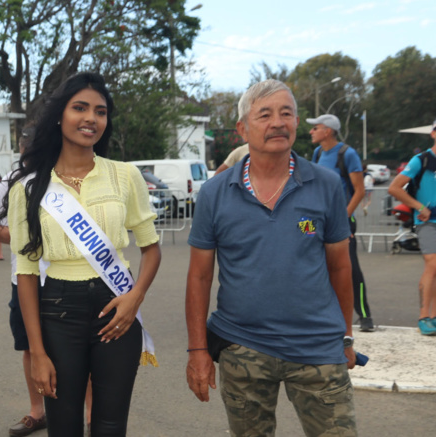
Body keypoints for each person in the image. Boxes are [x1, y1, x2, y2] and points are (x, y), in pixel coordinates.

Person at [185, 79, 357, 437]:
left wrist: (346, 336)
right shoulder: (215, 193)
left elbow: (340, 267)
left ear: (296, 122)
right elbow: (199, 277)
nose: (277, 123)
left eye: (286, 113)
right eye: (264, 115)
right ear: (242, 128)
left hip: (318, 347)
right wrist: (198, 350)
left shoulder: (326, 185)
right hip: (242, 347)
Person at [4, 72, 161, 436]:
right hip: (57, 311)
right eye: (80, 108)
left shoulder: (125, 175)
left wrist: (135, 297)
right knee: (64, 427)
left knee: (110, 426)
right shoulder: (28, 187)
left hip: (117, 305)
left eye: (100, 112)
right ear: (60, 115)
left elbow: (151, 249)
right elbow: (25, 271)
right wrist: (37, 352)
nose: (91, 118)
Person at [0, 127, 47, 437]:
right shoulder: (11, 182)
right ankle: (38, 411)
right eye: (28, 151)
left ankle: (90, 414)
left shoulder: (65, 176)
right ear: (22, 151)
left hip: (68, 277)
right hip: (24, 278)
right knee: (29, 347)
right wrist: (27, 234)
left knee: (78, 346)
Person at [308, 113, 373, 332]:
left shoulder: (347, 154)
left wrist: (343, 219)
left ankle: (365, 315)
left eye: (315, 128)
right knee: (313, 263)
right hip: (318, 220)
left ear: (327, 131)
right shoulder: (317, 153)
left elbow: (359, 191)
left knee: (350, 268)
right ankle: (320, 315)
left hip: (342, 220)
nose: (311, 131)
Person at [388, 119, 436, 336]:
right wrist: (419, 207)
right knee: (432, 264)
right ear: (433, 134)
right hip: (427, 221)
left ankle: (433, 317)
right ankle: (424, 317)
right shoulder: (421, 160)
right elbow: (394, 188)